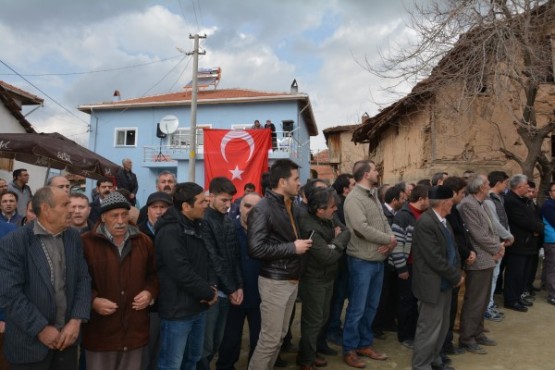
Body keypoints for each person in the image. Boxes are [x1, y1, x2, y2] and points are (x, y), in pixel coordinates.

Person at [0, 186, 92, 370]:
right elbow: (9, 293)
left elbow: (83, 280)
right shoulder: (14, 242)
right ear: (46, 210)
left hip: (67, 342)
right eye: (65, 205)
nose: (72, 209)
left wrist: (76, 321)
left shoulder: (73, 237)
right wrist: (40, 328)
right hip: (29, 346)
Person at [81, 191, 159, 370]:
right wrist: (93, 301)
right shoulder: (86, 243)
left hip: (134, 331)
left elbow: (154, 275)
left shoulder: (143, 241)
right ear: (102, 217)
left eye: (124, 215)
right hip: (101, 332)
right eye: (114, 216)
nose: (121, 220)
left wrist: (149, 292)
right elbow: (78, 282)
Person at [247, 159, 312, 370]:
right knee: (270, 340)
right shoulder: (263, 208)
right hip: (275, 282)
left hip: (290, 278)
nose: (299, 183)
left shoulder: (289, 204)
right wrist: (292, 248)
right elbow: (255, 249)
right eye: (296, 179)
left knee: (279, 336)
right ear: (283, 182)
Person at [155, 182, 217, 370]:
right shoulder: (170, 231)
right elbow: (181, 272)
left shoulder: (197, 224)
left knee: (192, 359)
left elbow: (207, 259)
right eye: (201, 202)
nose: (206, 204)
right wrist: (209, 292)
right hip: (178, 311)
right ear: (185, 206)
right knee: (171, 364)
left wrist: (211, 286)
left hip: (197, 306)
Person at [342, 160, 396, 368]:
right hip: (361, 262)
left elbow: (384, 222)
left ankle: (364, 344)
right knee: (357, 308)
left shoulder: (373, 196)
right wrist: (388, 240)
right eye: (375, 170)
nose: (377, 173)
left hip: (378, 261)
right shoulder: (354, 199)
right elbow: (361, 228)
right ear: (366, 174)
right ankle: (349, 349)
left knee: (371, 307)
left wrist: (390, 240)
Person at [297, 187, 350, 370]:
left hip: (328, 277)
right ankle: (305, 360)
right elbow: (327, 257)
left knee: (323, 318)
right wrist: (335, 244)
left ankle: (311, 353)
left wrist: (333, 244)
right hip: (314, 280)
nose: (336, 210)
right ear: (320, 209)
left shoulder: (329, 217)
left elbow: (346, 232)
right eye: (332, 207)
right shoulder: (309, 226)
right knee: (313, 321)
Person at [411, 186, 464, 370]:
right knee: (429, 329)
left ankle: (435, 360)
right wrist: (456, 275)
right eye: (451, 201)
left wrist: (455, 273)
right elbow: (434, 258)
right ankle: (421, 365)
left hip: (445, 282)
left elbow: (453, 250)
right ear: (444, 203)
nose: (453, 204)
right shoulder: (426, 223)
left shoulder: (444, 221)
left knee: (442, 327)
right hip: (432, 284)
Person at [199, 177, 244, 370]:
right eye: (223, 200)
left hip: (227, 292)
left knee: (216, 343)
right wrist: (232, 287)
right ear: (211, 197)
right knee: (205, 346)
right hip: (212, 292)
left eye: (230, 201)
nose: (228, 205)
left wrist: (239, 286)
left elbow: (234, 257)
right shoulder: (204, 221)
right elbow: (213, 258)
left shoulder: (228, 221)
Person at [458, 174, 504, 354]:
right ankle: (467, 338)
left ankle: (477, 333)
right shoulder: (468, 204)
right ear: (479, 187)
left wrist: (497, 246)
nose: (488, 185)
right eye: (486, 183)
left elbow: (491, 228)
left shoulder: (482, 204)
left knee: (483, 299)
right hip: (479, 258)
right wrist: (497, 248)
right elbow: (477, 234)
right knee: (475, 300)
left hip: (488, 256)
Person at [216, 192, 263, 370]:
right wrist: (230, 288)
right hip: (234, 296)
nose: (251, 211)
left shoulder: (267, 232)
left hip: (259, 297)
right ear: (240, 207)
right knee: (230, 339)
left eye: (256, 207)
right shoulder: (228, 229)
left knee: (259, 339)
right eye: (247, 206)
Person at [390, 184, 430, 349]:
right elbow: (397, 245)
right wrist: (402, 268)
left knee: (415, 302)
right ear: (421, 199)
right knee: (406, 302)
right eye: (429, 199)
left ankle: (414, 333)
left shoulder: (423, 214)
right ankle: (405, 336)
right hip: (407, 266)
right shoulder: (403, 216)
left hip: (420, 267)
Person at [137, 191, 172, 370]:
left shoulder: (174, 232)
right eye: (154, 207)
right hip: (148, 305)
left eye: (163, 207)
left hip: (171, 302)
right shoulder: (137, 234)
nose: (158, 211)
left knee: (165, 352)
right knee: (146, 351)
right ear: (147, 209)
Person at [503, 174, 544, 312]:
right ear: (519, 186)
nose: (528, 187)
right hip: (519, 244)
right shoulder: (511, 201)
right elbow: (524, 221)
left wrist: (538, 227)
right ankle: (511, 300)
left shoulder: (523, 200)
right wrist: (537, 228)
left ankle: (517, 296)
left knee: (522, 274)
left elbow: (535, 218)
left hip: (528, 244)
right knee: (515, 273)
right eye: (526, 185)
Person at [483, 171, 513, 322]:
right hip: (493, 243)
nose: (506, 185)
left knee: (494, 276)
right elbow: (494, 223)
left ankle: (489, 303)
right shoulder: (488, 200)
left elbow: (503, 220)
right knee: (491, 276)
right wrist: (508, 235)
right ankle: (486, 308)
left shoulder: (498, 198)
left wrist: (506, 234)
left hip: (499, 242)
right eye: (505, 182)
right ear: (498, 183)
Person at [541, 181, 555, 306]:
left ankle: (546, 286)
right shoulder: (548, 205)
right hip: (552, 240)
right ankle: (552, 295)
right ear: (550, 193)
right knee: (552, 268)